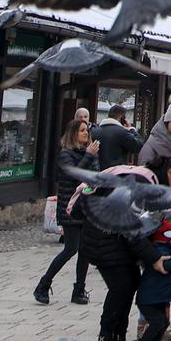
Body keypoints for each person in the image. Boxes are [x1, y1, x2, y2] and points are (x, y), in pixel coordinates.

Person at [77, 170, 157, 341]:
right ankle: (107, 335)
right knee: (121, 287)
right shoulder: (120, 193)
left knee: (130, 282)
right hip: (103, 246)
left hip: (114, 245)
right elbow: (132, 233)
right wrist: (154, 257)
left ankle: (119, 335)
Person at [35, 118, 99, 305]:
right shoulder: (66, 154)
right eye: (81, 131)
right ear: (73, 133)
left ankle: (79, 289)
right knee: (70, 249)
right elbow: (73, 175)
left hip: (86, 207)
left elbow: (95, 174)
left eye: (86, 130)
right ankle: (43, 284)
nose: (85, 133)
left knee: (85, 251)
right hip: (70, 208)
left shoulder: (90, 153)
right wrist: (88, 156)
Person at [134, 210, 171, 341]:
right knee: (157, 322)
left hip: (159, 296)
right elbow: (169, 266)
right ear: (166, 240)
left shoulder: (167, 250)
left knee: (164, 322)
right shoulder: (160, 252)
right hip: (149, 298)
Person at [93, 104, 143, 168]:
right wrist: (132, 129)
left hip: (98, 173)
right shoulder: (122, 132)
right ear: (122, 118)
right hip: (117, 172)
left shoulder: (95, 131)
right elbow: (139, 145)